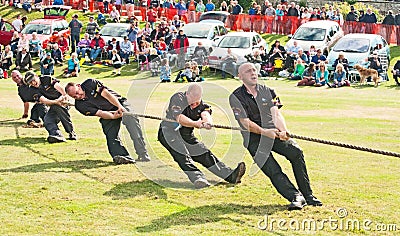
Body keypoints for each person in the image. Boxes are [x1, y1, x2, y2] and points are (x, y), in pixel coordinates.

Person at [229, 62, 322, 210]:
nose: (253, 73)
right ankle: (296, 197)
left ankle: (308, 195)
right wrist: (264, 132)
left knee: (296, 152)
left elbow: (276, 113)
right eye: (248, 71)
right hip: (253, 139)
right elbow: (245, 122)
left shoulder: (269, 91)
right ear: (240, 77)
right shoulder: (236, 97)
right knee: (273, 169)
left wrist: (283, 131)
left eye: (254, 70)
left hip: (273, 133)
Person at [158, 84, 246, 188]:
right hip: (168, 132)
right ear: (187, 94)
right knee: (182, 154)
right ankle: (198, 178)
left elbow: (205, 114)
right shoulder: (178, 98)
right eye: (192, 102)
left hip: (186, 135)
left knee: (204, 153)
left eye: (197, 102)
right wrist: (196, 124)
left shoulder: (203, 105)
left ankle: (231, 175)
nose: (194, 105)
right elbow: (179, 118)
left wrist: (207, 122)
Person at [65, 79, 150, 164]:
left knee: (133, 125)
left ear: (79, 86)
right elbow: (100, 113)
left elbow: (107, 94)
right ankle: (121, 156)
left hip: (119, 103)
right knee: (110, 134)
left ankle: (143, 153)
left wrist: (120, 107)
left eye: (77, 93)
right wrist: (113, 117)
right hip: (107, 112)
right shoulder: (80, 106)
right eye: (74, 97)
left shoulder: (90, 83)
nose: (78, 96)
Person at [24, 71, 77, 143]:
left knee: (59, 109)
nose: (33, 83)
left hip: (63, 102)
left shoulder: (47, 79)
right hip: (53, 104)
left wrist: (64, 96)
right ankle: (56, 135)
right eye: (30, 82)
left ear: (36, 76)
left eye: (33, 80)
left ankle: (71, 132)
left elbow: (59, 88)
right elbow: (44, 100)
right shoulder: (32, 90)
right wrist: (56, 102)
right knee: (47, 120)